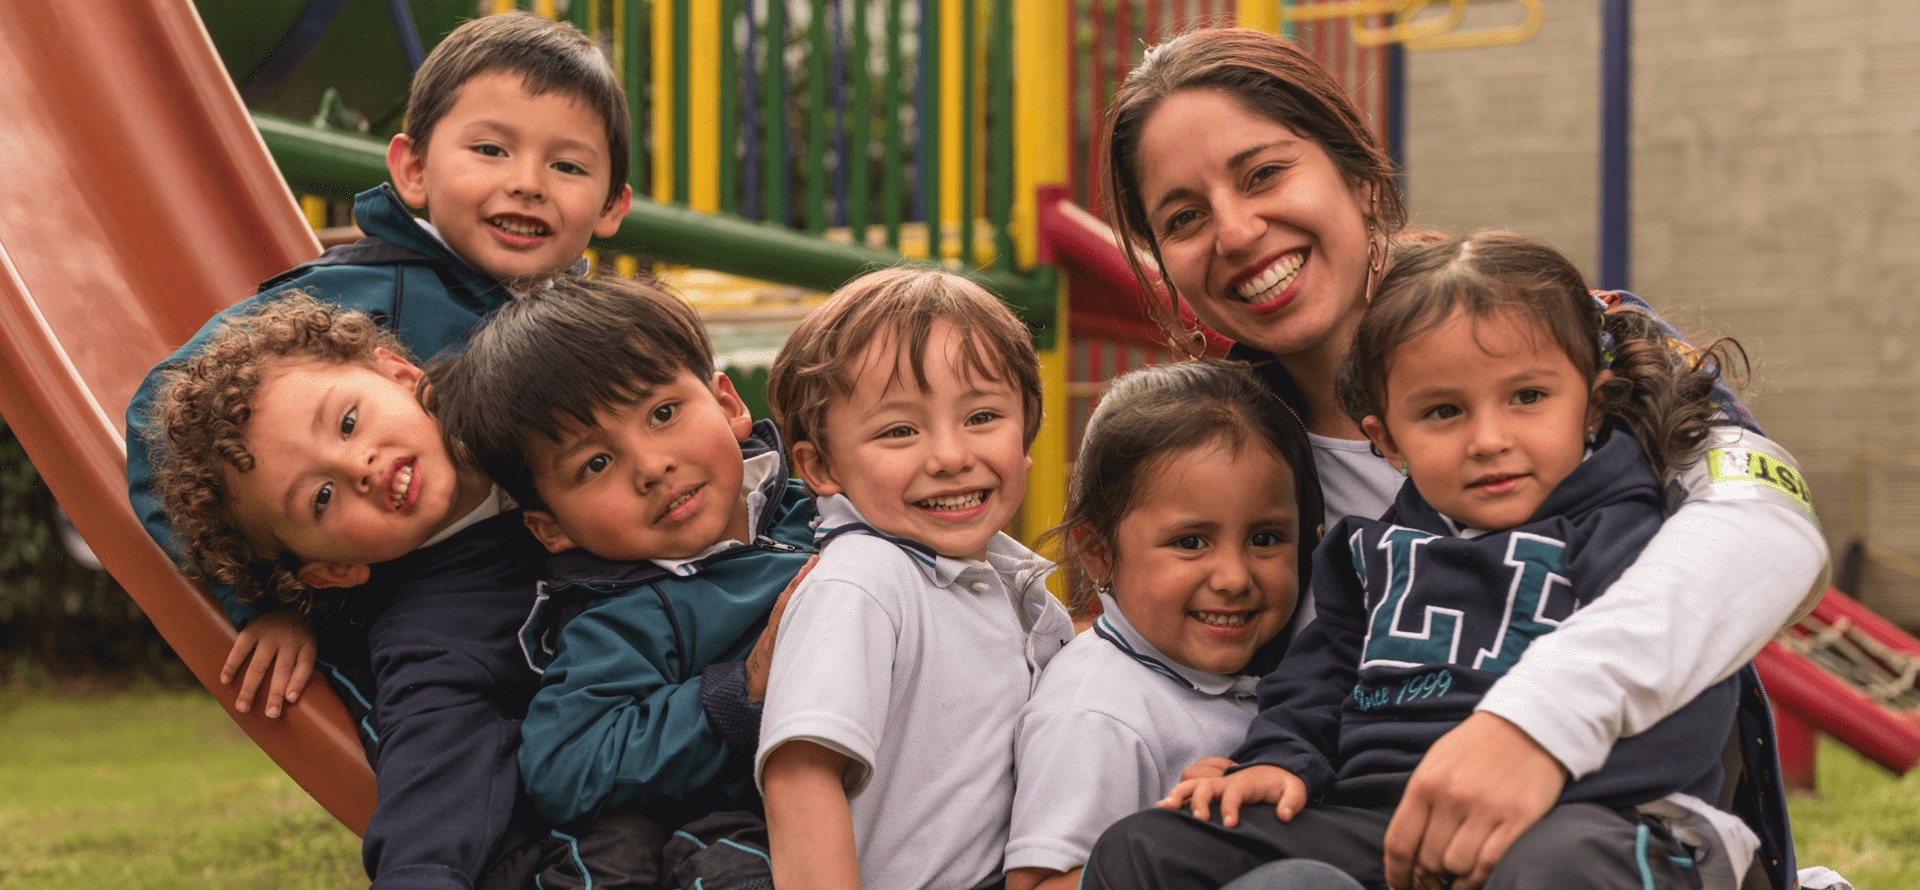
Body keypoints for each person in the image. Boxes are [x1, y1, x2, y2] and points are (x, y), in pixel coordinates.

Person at [1090, 28, 1826, 890]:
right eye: (1184, 218)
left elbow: (1769, 526)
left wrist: (1539, 720)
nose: (1238, 229)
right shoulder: (1224, 449)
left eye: (1264, 174)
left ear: (1360, 177)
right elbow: (1174, 661)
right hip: (1362, 826)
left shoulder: (1576, 336)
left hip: (1597, 820)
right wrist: (1252, 760)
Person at [128, 14, 663, 889]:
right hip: (442, 600)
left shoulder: (585, 324)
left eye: (566, 166)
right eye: (490, 151)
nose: (527, 184)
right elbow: (163, 422)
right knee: (454, 726)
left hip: (572, 576)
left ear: (609, 206)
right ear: (412, 167)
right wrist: (266, 595)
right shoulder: (360, 291)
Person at [1088, 231, 1763, 890]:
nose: (1490, 440)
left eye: (1528, 397)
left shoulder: (1629, 531)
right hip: (1389, 823)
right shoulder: (1369, 552)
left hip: (1592, 817)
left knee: (1555, 866)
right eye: (1444, 411)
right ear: (1387, 439)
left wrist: (1531, 794)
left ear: (1592, 400)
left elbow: (1689, 697)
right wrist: (1280, 762)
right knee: (1145, 851)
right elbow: (1318, 678)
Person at [146, 294, 639, 890]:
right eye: (321, 498)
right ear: (330, 570)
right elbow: (433, 757)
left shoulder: (536, 407)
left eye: (348, 422)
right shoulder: (432, 631)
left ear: (401, 375)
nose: (356, 466)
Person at [430, 273, 819, 889]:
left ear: (727, 405)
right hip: (765, 822)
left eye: (663, 413)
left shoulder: (827, 505)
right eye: (595, 463)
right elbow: (566, 765)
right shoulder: (626, 614)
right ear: (550, 527)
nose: (652, 466)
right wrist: (734, 694)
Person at [755, 268, 1076, 890]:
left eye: (983, 416)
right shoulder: (864, 583)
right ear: (820, 466)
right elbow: (801, 779)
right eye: (900, 430)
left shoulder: (1008, 585)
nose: (951, 456)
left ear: (1027, 434)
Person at [1004, 361, 1322, 890]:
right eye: (1191, 542)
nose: (1234, 578)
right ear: (1099, 553)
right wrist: (1180, 841)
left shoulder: (1263, 677)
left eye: (1265, 538)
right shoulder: (1097, 714)